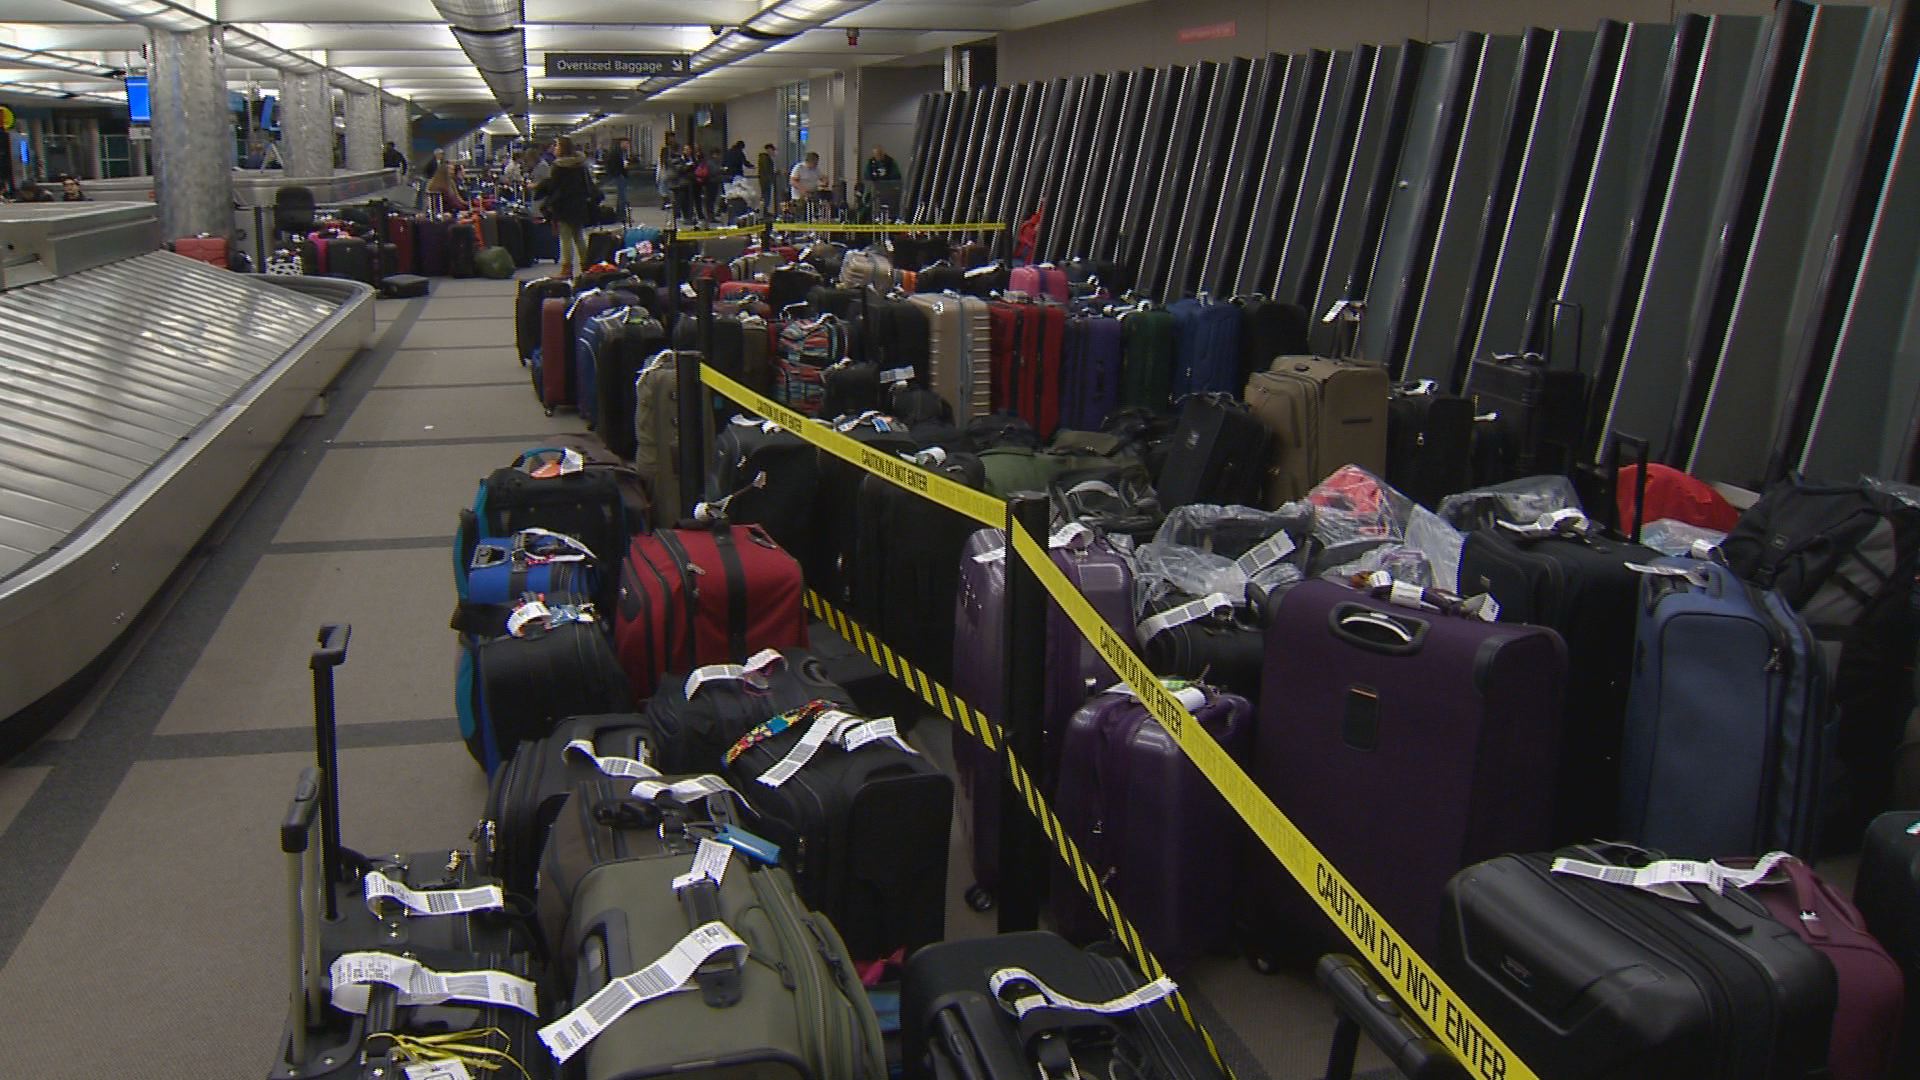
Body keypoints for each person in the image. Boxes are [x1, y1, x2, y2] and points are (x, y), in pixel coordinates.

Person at [534, 136, 594, 280]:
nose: (555, 148)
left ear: (563, 148)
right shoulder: (580, 164)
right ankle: (587, 267)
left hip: (563, 205)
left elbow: (554, 186)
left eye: (557, 146)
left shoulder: (559, 167)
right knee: (579, 237)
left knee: (566, 238)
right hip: (579, 204)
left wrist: (538, 187)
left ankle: (567, 270)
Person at [864, 145, 902, 219]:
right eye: (876, 154)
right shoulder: (871, 162)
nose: (878, 156)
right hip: (875, 188)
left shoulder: (890, 162)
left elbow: (896, 176)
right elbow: (866, 175)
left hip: (888, 189)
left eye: (879, 154)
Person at [701, 147, 724, 222]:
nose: (719, 156)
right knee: (710, 200)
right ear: (714, 154)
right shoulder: (711, 162)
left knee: (712, 200)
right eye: (718, 154)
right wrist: (721, 170)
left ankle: (711, 216)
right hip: (710, 183)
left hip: (714, 182)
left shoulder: (714, 162)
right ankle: (710, 216)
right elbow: (713, 172)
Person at [756, 143, 780, 216]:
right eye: (773, 150)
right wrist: (772, 177)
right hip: (766, 180)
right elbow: (767, 170)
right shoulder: (765, 158)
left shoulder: (764, 158)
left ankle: (763, 211)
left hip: (764, 180)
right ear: (769, 149)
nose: (774, 152)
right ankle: (763, 211)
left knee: (765, 196)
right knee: (766, 196)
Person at [606, 138, 629, 213]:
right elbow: (613, 165)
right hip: (619, 176)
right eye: (626, 143)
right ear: (621, 143)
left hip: (620, 175)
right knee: (622, 196)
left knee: (621, 196)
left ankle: (621, 214)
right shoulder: (616, 153)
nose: (628, 145)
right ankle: (622, 214)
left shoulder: (621, 152)